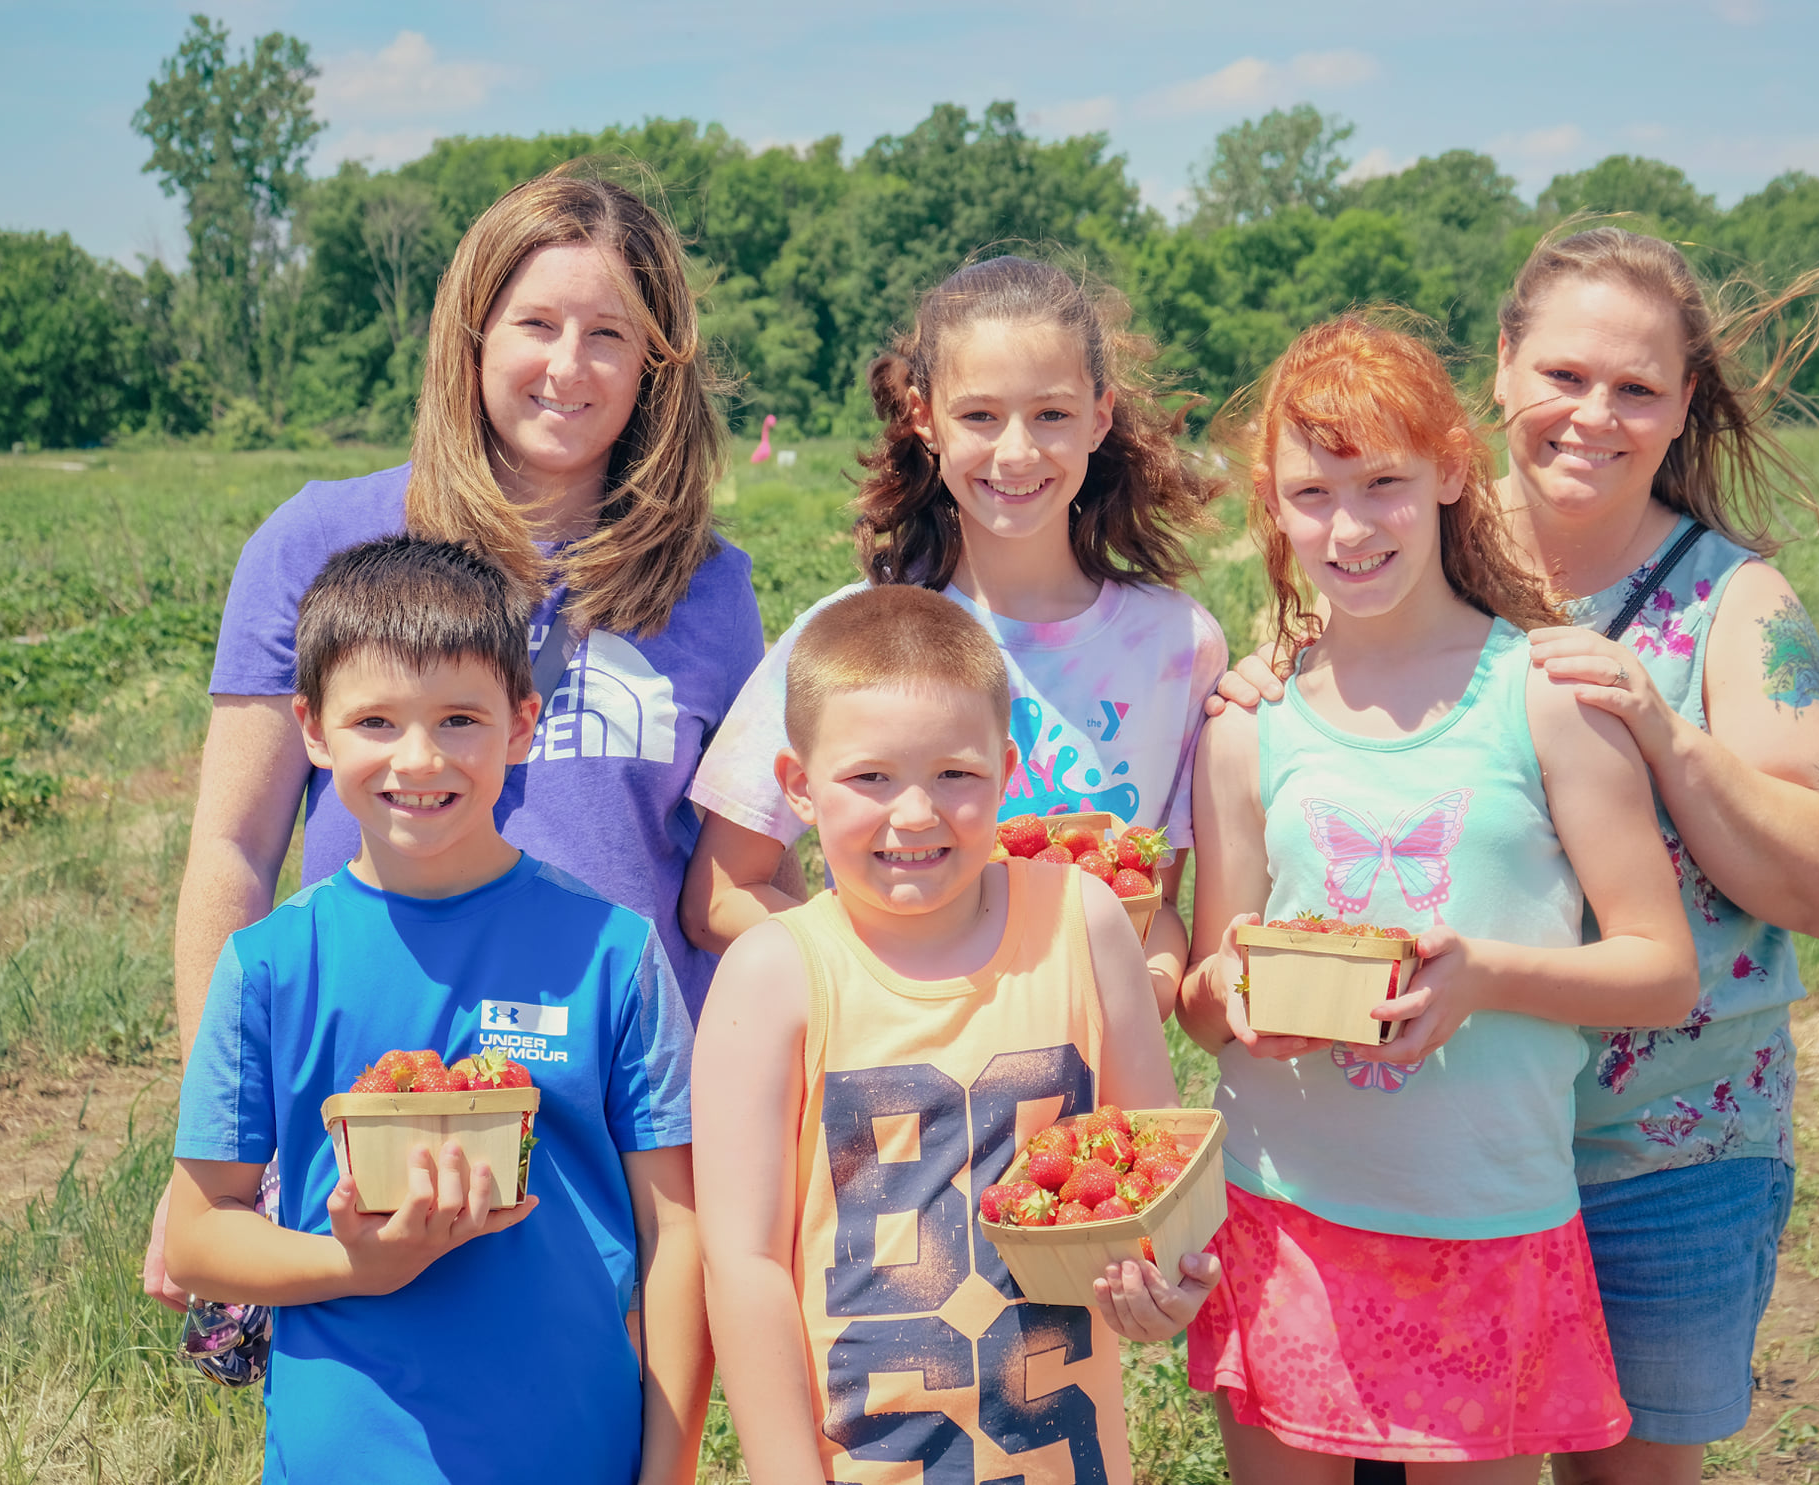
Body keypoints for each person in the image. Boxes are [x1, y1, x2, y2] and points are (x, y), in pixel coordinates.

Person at [1213, 230, 1819, 1485]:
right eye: (1565, 376)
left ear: (1680, 405)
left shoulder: (1730, 602)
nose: (1593, 416)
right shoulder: (1396, 531)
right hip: (1408, 1146)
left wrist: (1660, 733)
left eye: (1635, 388)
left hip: (1656, 1141)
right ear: (1502, 368)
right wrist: (1267, 679)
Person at [148, 169, 764, 1315]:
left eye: (608, 335)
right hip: (375, 1086)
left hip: (610, 1113)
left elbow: (725, 876)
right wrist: (220, 1152)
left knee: (587, 1390)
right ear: (471, 336)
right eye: (535, 324)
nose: (568, 366)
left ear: (655, 366)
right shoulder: (320, 540)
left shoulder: (708, 587)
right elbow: (233, 849)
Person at [1177, 313, 1699, 1481]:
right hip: (1281, 1210)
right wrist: (1238, 993)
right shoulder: (1249, 726)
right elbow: (1205, 1003)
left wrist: (1485, 977)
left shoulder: (1544, 696)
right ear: (1272, 506)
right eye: (1312, 494)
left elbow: (1661, 972)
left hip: (1482, 1217)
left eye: (1383, 484)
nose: (1349, 527)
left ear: (1452, 472)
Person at [165, 537, 704, 1484]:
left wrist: (668, 1470)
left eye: (460, 718)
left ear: (522, 724)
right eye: (375, 720)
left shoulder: (611, 955)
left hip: (571, 1449)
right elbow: (199, 1233)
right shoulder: (270, 965)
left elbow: (678, 1236)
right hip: (340, 1459)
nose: (418, 758)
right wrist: (357, 1265)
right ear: (313, 729)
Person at [692, 583, 1219, 1485]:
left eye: (955, 775)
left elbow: (1150, 1185)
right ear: (799, 787)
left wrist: (1163, 1288)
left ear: (1007, 772)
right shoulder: (773, 976)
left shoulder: (1086, 924)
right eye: (870, 777)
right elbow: (744, 1265)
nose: (915, 813)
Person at [682, 254, 1226, 1016]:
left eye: (1051, 414)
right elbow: (719, 893)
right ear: (923, 416)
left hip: (1086, 1076)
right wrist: (885, 979)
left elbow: (1154, 906)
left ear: (1099, 417)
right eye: (979, 416)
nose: (1017, 451)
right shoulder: (850, 635)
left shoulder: (1177, 647)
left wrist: (1140, 998)